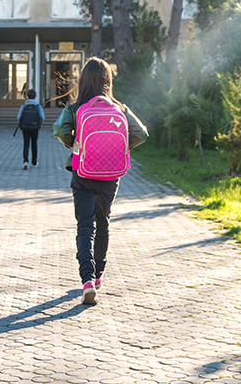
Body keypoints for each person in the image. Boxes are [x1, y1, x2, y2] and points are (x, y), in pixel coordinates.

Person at [52, 57, 148, 305]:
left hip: (82, 171)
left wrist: (78, 146)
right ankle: (99, 275)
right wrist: (118, 148)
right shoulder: (120, 108)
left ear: (82, 80)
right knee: (103, 222)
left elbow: (61, 130)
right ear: (108, 81)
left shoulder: (74, 108)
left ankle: (87, 279)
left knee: (85, 226)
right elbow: (142, 133)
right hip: (111, 174)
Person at [17, 89, 45, 169]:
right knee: (34, 144)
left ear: (27, 97)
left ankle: (25, 161)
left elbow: (18, 117)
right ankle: (34, 162)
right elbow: (43, 117)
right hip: (35, 128)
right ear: (35, 97)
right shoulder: (38, 106)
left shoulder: (24, 106)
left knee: (26, 144)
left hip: (25, 127)